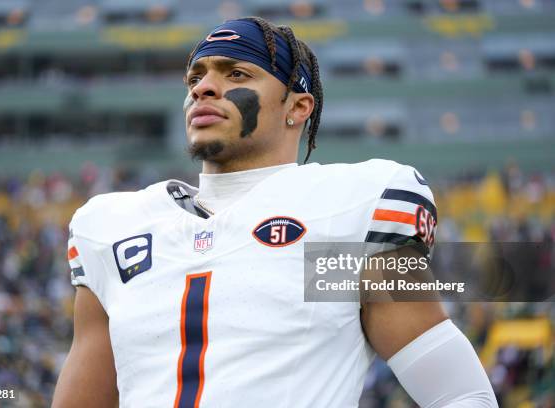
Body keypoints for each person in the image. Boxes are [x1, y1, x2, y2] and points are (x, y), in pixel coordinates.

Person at [52, 17, 497, 408]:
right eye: (195, 78)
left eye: (236, 73)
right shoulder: (114, 228)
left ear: (297, 107)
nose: (203, 87)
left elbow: (459, 395)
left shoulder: (340, 212)